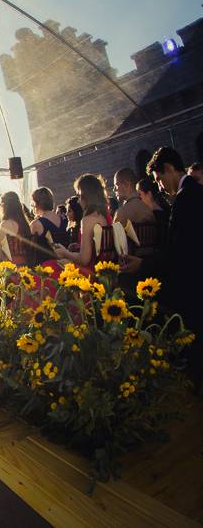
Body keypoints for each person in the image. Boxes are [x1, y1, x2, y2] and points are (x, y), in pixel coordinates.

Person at [121, 147, 203, 391]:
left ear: (169, 168)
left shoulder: (186, 197)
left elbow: (179, 251)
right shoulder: (195, 192)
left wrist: (143, 264)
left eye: (159, 179)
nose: (160, 187)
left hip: (190, 282)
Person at [53, 174, 113, 271]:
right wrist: (79, 246)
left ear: (87, 196)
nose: (78, 201)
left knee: (50, 265)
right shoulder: (104, 214)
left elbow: (84, 260)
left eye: (79, 196)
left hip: (91, 273)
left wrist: (65, 253)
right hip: (105, 270)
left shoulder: (88, 219)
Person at [29, 186, 67, 260]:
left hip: (46, 267)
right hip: (66, 265)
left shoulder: (36, 224)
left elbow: (28, 247)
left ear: (36, 203)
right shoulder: (63, 220)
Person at [0, 191, 33, 265]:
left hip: (11, 268)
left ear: (4, 206)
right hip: (27, 266)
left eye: (0, 205)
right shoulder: (26, 224)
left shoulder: (5, 224)